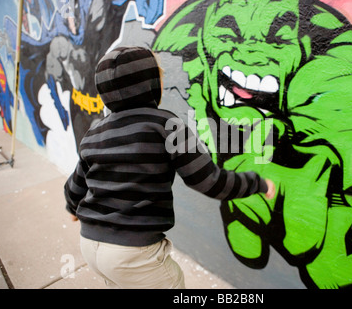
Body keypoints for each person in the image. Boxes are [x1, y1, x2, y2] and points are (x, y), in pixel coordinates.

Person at [64, 46, 275, 289]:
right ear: (150, 84)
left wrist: (72, 206)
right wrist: (257, 183)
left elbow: (76, 182)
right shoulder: (165, 125)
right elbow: (210, 182)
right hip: (134, 253)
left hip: (90, 244)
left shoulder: (94, 133)